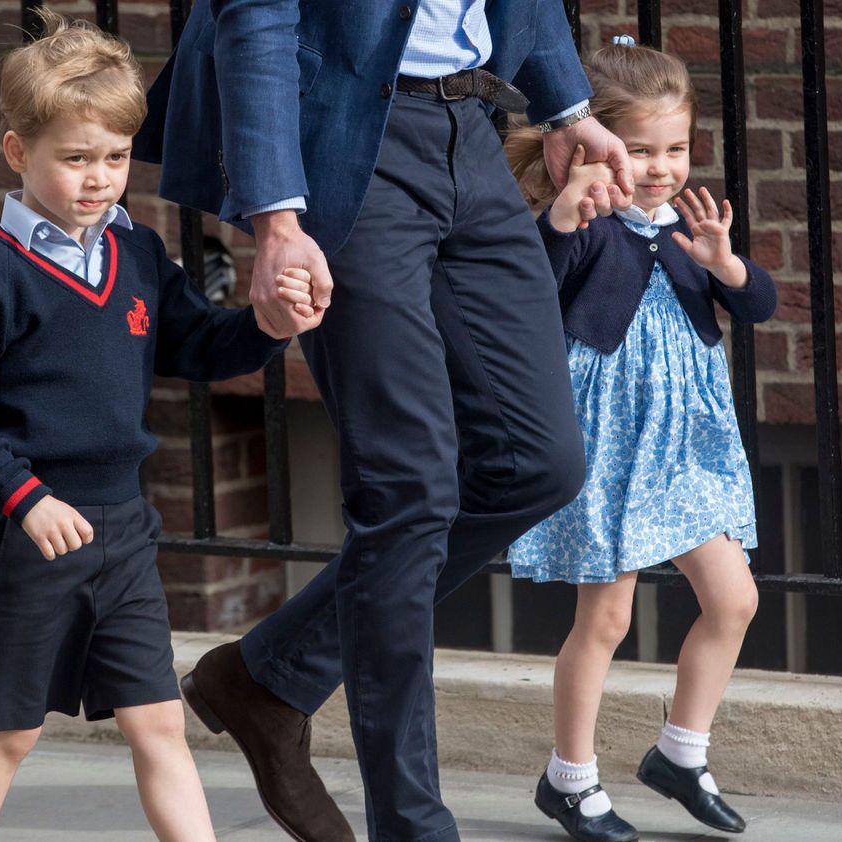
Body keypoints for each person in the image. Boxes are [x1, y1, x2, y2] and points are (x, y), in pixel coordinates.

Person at [134, 2, 636, 840]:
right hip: (343, 142)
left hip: (471, 130)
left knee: (537, 462)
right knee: (409, 492)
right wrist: (278, 220)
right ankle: (413, 826)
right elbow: (256, 19)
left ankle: (267, 679)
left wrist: (567, 107)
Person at [0, 12, 305, 840]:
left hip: (124, 533)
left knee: (158, 723)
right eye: (76, 158)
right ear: (19, 153)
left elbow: (197, 343)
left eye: (117, 158)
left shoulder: (135, 256)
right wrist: (23, 497)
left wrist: (268, 325)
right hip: (31, 536)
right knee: (8, 735)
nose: (99, 179)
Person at [503, 36, 776, 842]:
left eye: (677, 148)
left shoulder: (688, 228)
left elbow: (759, 305)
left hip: (689, 444)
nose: (661, 167)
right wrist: (557, 220)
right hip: (611, 438)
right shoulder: (586, 222)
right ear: (601, 146)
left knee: (735, 598)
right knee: (607, 618)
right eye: (643, 149)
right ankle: (570, 779)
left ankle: (681, 755)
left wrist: (727, 266)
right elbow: (531, 299)